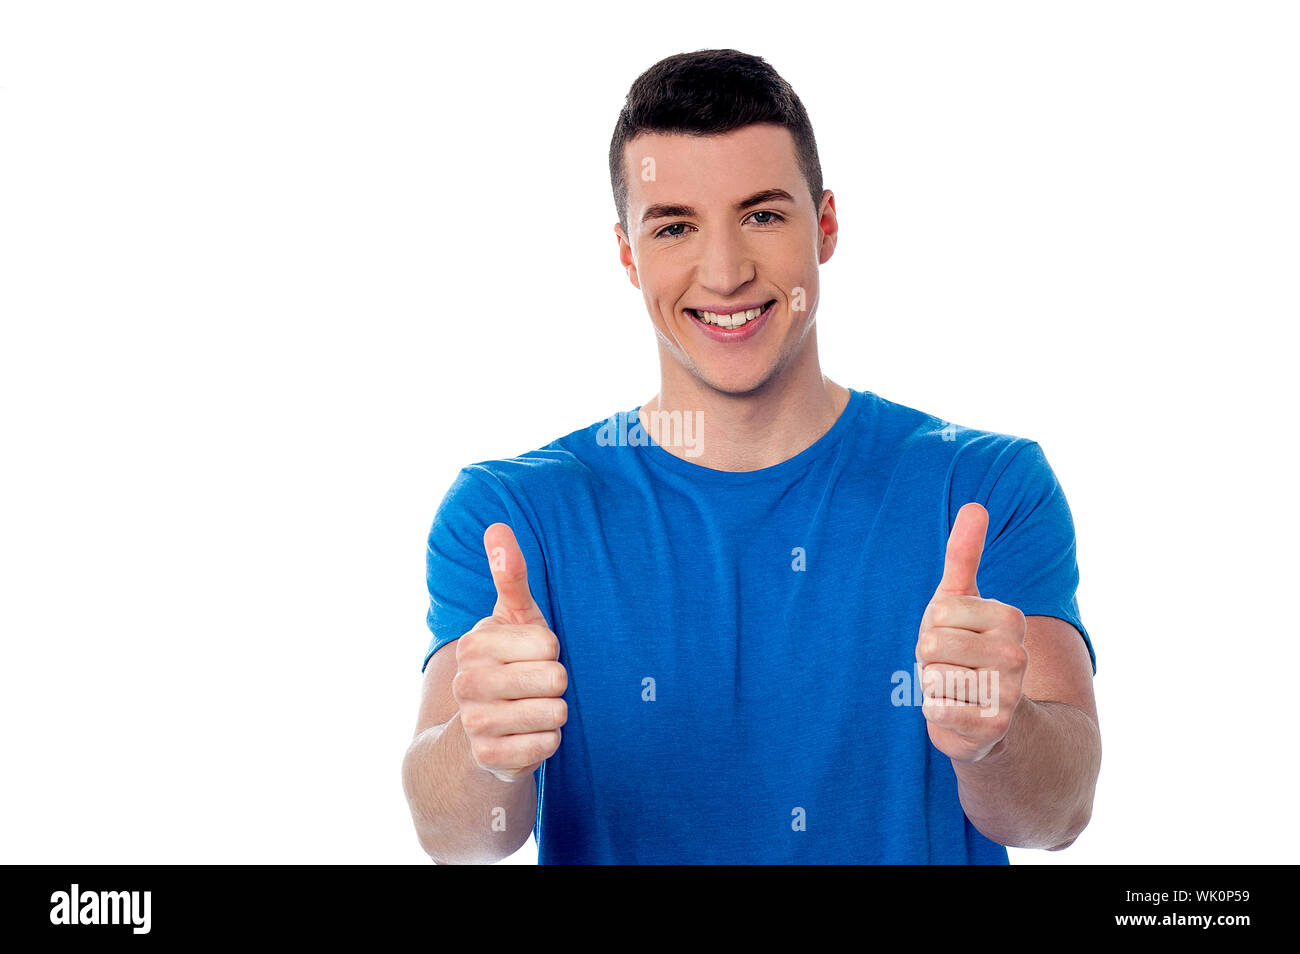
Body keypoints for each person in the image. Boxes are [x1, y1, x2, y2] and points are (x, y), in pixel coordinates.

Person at [401, 49, 1101, 864]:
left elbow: (1059, 815)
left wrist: (995, 737)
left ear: (826, 225)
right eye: (674, 227)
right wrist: (485, 750)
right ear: (628, 255)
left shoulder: (983, 488)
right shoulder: (510, 519)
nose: (727, 273)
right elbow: (451, 837)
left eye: (763, 215)